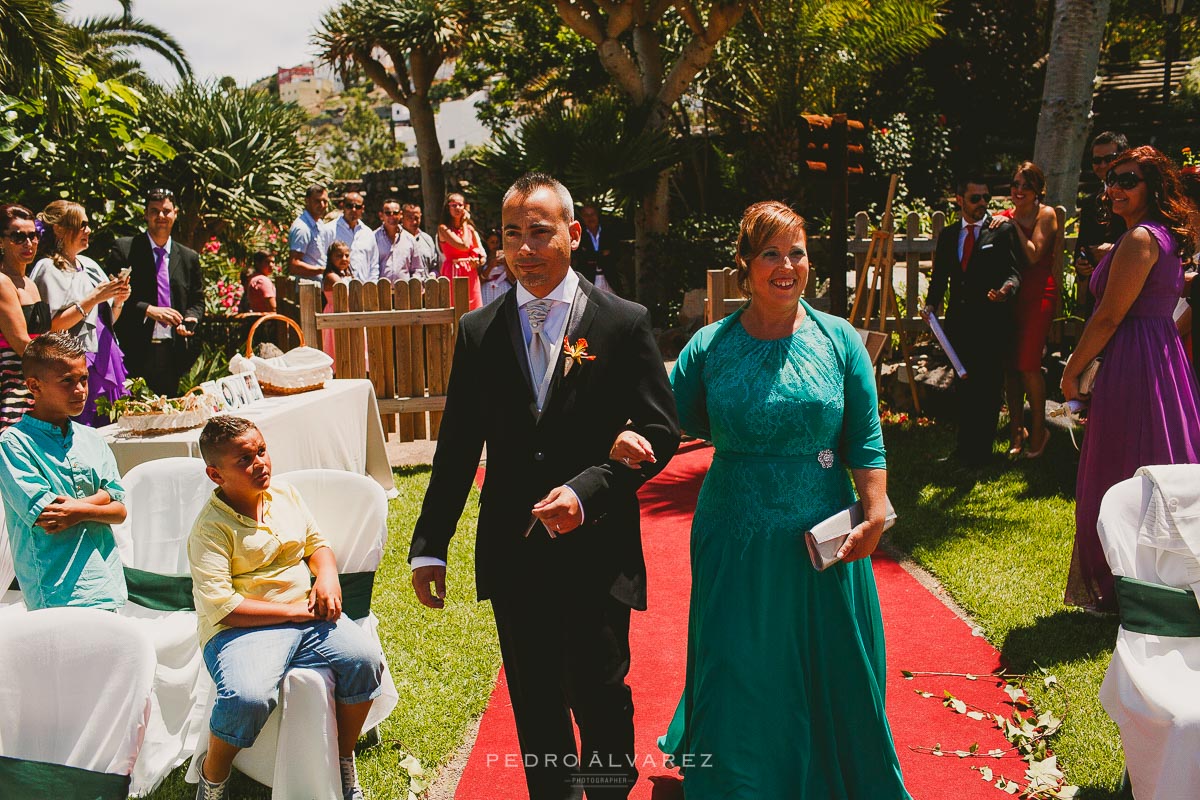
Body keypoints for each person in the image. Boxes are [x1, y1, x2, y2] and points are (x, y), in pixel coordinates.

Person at [409, 173, 680, 799]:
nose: (525, 248)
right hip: (516, 549)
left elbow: (661, 432)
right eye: (511, 235)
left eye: (540, 232)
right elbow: (457, 446)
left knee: (601, 696)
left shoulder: (622, 323)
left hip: (598, 551)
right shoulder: (479, 331)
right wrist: (431, 541)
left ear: (573, 234)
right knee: (535, 706)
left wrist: (591, 488)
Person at [646, 201, 909, 798]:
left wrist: (875, 507)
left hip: (822, 536)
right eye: (770, 253)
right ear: (745, 264)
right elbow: (665, 419)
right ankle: (740, 781)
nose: (786, 265)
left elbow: (865, 438)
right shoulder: (711, 345)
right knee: (738, 657)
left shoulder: (839, 339)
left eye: (796, 252)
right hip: (734, 528)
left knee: (825, 660)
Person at [188, 415, 384, 800]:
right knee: (247, 697)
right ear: (216, 474)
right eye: (244, 460)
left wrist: (327, 576)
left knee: (365, 659)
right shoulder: (210, 529)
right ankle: (213, 776)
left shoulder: (285, 496)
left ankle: (341, 759)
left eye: (261, 451)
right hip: (239, 630)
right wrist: (295, 612)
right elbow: (224, 608)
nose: (260, 463)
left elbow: (316, 543)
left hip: (304, 617)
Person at [1061, 145, 1200, 613]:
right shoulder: (1158, 236)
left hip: (1136, 362)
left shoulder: (1142, 239)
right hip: (1159, 358)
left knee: (1123, 464)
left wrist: (1072, 369)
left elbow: (1107, 318)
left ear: (1152, 188)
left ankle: (1128, 584)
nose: (1114, 187)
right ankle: (1159, 581)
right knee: (1160, 456)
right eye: (1111, 179)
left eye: (1128, 180)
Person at [0, 333, 127, 611]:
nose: (81, 389)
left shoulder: (92, 439)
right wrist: (101, 499)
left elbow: (120, 511)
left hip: (108, 583)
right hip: (55, 591)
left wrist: (78, 509)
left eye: (83, 378)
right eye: (67, 381)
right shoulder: (14, 444)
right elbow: (49, 516)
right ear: (34, 386)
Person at [925, 174, 1022, 467]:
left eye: (985, 198)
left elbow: (1014, 273)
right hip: (960, 323)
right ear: (959, 200)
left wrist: (1006, 290)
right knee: (964, 385)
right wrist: (931, 303)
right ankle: (964, 449)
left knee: (989, 387)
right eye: (975, 198)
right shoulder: (950, 235)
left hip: (990, 322)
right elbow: (940, 276)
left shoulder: (1001, 230)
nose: (982, 204)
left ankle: (982, 452)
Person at [33, 200, 131, 424]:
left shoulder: (90, 265)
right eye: (81, 224)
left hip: (105, 355)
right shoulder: (48, 268)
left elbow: (105, 319)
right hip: (77, 360)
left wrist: (117, 300)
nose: (88, 230)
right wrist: (94, 297)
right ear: (59, 229)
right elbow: (53, 326)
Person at [107, 188, 204, 399]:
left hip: (174, 354)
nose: (161, 216)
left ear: (175, 214)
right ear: (146, 214)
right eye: (155, 211)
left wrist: (190, 318)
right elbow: (112, 296)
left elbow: (197, 300)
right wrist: (149, 310)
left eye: (166, 211)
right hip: (135, 351)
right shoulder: (125, 249)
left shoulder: (189, 258)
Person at [992, 162, 1060, 458]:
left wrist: (1012, 225)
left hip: (1038, 295)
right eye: (1015, 185)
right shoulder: (1005, 217)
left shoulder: (1047, 214)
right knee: (1010, 367)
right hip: (1013, 296)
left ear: (1037, 191)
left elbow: (1033, 254)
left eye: (1025, 186)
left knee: (1029, 364)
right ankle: (1017, 432)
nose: (1018, 191)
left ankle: (1040, 431)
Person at [0, 204, 50, 430]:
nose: (28, 243)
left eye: (33, 235)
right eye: (18, 237)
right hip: (11, 384)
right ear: (1, 241)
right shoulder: (2, 282)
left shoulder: (30, 283)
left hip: (36, 380)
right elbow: (22, 343)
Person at [1075, 131, 1129, 318]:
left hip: (1130, 292)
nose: (1103, 165)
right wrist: (1081, 263)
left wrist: (1114, 252)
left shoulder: (1137, 196)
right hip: (1098, 295)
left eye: (1110, 158)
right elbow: (1082, 245)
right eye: (1097, 160)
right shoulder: (1090, 203)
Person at [437, 192, 485, 310]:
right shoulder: (443, 229)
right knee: (455, 307)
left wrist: (478, 261)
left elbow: (480, 253)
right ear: (448, 208)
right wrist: (464, 222)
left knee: (474, 308)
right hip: (453, 270)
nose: (457, 208)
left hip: (470, 271)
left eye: (460, 205)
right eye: (453, 205)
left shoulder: (470, 229)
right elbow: (464, 245)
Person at [572, 203, 623, 295]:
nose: (590, 218)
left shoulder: (609, 232)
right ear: (582, 218)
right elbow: (580, 257)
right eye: (586, 215)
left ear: (597, 215)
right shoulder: (579, 236)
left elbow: (616, 254)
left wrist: (592, 256)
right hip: (588, 281)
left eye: (592, 214)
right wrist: (602, 254)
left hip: (610, 278)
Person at [288, 183, 334, 284]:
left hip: (319, 289)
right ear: (307, 201)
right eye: (317, 201)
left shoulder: (319, 224)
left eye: (325, 201)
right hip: (307, 291)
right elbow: (294, 265)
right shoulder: (302, 228)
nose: (322, 205)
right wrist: (323, 270)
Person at [334, 191, 379, 283]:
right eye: (349, 206)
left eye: (357, 207)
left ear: (362, 209)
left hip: (365, 290)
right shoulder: (330, 230)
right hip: (340, 289)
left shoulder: (368, 233)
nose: (354, 210)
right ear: (343, 206)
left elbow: (374, 265)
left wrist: (371, 286)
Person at [323, 241, 353, 360]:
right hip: (335, 313)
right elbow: (346, 293)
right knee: (337, 348)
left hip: (348, 313)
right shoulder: (331, 277)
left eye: (346, 255)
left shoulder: (346, 275)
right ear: (331, 258)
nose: (344, 259)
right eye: (339, 256)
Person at [479, 229, 512, 306]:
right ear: (487, 243)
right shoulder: (483, 258)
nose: (495, 245)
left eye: (497, 242)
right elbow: (479, 280)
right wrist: (490, 266)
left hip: (503, 288)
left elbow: (512, 279)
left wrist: (506, 264)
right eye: (492, 242)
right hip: (487, 290)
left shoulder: (506, 256)